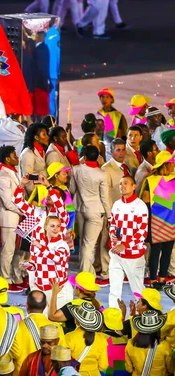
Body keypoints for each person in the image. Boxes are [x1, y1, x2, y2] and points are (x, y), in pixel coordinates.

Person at [107, 175, 148, 308]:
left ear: (134, 186)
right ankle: (114, 318)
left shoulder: (140, 206)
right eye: (120, 184)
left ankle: (142, 320)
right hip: (116, 254)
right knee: (114, 290)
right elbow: (112, 224)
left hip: (134, 256)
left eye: (125, 183)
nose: (122, 186)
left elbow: (142, 232)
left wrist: (124, 245)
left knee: (138, 292)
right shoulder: (116, 205)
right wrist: (112, 233)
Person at [71, 146, 110, 279]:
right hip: (96, 210)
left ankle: (87, 272)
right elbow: (104, 197)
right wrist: (110, 216)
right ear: (97, 157)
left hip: (80, 208)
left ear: (85, 156)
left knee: (83, 243)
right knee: (89, 245)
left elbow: (71, 189)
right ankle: (84, 276)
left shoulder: (76, 169)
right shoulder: (102, 173)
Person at [140, 151, 175, 287]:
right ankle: (153, 278)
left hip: (171, 221)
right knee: (155, 252)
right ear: (165, 165)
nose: (173, 166)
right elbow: (145, 201)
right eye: (171, 163)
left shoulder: (174, 178)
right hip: (156, 222)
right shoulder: (150, 180)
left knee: (167, 251)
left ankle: (162, 278)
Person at [10, 291, 64, 374]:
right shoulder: (57, 328)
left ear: (27, 305)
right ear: (46, 305)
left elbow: (9, 357)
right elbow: (62, 355)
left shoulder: (15, 327)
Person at [0, 145, 24, 292]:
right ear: (7, 159)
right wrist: (24, 210)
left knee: (18, 249)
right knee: (8, 250)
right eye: (14, 155)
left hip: (17, 216)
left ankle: (17, 276)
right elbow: (7, 202)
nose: (17, 157)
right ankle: (5, 279)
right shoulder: (3, 176)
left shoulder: (13, 173)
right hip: (8, 217)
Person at [64, 303, 108, 374]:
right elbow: (103, 365)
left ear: (76, 320)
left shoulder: (69, 337)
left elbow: (63, 362)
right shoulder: (102, 339)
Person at [125, 310, 174, 374]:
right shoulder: (164, 346)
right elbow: (171, 369)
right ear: (158, 328)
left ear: (140, 327)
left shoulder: (130, 344)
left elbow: (129, 369)